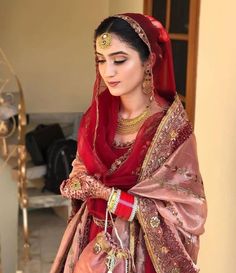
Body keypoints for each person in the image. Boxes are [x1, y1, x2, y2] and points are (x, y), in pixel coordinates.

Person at [50, 13, 207, 273]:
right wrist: (79, 181)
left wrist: (108, 196)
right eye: (101, 60)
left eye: (119, 60)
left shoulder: (170, 130)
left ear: (149, 61)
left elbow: (187, 209)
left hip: (142, 255)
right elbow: (82, 162)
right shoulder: (97, 115)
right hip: (92, 240)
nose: (107, 71)